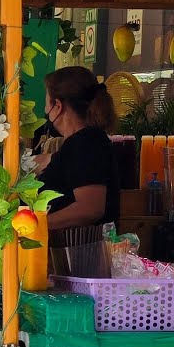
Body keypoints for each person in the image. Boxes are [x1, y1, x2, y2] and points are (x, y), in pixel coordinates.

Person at [37, 66, 120, 230]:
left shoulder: (87, 143)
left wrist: (36, 226)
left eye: (46, 103)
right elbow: (59, 165)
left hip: (82, 253)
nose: (45, 110)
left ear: (58, 106)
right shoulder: (80, 143)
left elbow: (90, 209)